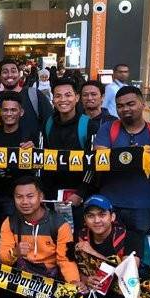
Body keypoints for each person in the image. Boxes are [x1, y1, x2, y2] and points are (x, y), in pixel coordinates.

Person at [0, 176, 82, 298]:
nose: (24, 202)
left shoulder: (60, 224)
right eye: (19, 197)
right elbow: (2, 257)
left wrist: (73, 283)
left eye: (30, 196)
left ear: (41, 196)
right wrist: (15, 252)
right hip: (22, 275)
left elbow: (66, 260)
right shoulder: (9, 222)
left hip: (49, 280)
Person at [93, 85, 150, 237]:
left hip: (144, 205)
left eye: (131, 104)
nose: (125, 109)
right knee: (111, 253)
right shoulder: (108, 129)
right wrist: (133, 156)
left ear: (143, 104)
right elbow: (100, 157)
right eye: (120, 106)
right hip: (110, 203)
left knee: (138, 253)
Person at [41, 78, 98, 229]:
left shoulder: (88, 125)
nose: (63, 100)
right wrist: (44, 192)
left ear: (77, 98)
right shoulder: (48, 124)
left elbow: (93, 164)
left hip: (80, 196)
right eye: (58, 96)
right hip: (53, 196)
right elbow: (45, 161)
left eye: (68, 95)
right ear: (53, 99)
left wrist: (81, 193)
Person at [0, 91, 35, 239]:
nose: (9, 114)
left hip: (18, 198)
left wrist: (33, 151)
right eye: (5, 110)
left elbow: (37, 169)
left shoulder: (29, 135)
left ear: (21, 112)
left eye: (13, 110)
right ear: (0, 112)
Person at [0, 58, 53, 142]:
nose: (9, 75)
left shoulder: (34, 95)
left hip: (31, 152)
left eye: (13, 71)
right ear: (0, 76)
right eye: (5, 72)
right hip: (0, 152)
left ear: (19, 74)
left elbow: (50, 122)